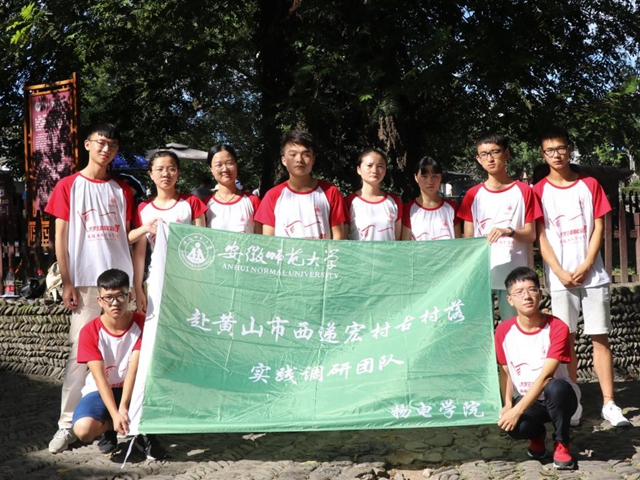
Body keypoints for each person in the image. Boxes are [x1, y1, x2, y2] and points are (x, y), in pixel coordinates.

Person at [45, 122, 135, 454]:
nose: (105, 149)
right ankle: (67, 424)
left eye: (112, 144)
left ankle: (122, 420)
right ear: (87, 144)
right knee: (80, 357)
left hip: (121, 285)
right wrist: (67, 281)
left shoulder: (123, 190)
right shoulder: (68, 186)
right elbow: (61, 237)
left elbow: (126, 237)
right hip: (84, 283)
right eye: (101, 142)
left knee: (127, 352)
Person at [533, 125, 630, 428]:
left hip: (594, 275)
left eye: (561, 148)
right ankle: (572, 401)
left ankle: (609, 403)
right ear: (543, 154)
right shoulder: (539, 190)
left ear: (569, 149)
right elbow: (540, 236)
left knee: (600, 336)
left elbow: (599, 225)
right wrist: (559, 271)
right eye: (550, 150)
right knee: (566, 340)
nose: (557, 155)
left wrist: (588, 263)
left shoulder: (589, 184)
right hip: (559, 278)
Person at [72, 268, 165, 459]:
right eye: (108, 297)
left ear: (129, 296)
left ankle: (144, 432)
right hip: (102, 389)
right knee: (83, 430)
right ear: (100, 300)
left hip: (137, 387)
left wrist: (123, 407)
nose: (115, 303)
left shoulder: (144, 324)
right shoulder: (89, 331)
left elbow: (134, 370)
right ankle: (110, 428)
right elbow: (99, 379)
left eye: (120, 296)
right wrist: (115, 415)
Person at [495, 267, 578, 470]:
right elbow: (505, 373)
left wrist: (517, 410)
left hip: (559, 397)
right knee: (513, 426)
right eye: (519, 292)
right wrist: (508, 404)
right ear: (510, 300)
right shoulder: (503, 331)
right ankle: (537, 436)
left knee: (556, 388)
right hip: (528, 399)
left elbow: (546, 376)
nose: (527, 296)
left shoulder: (557, 327)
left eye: (532, 290)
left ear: (540, 294)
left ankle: (562, 443)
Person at [457, 132, 541, 320]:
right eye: (484, 154)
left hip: (515, 278)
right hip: (482, 277)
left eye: (495, 152)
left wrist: (508, 231)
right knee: (480, 330)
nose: (490, 158)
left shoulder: (524, 191)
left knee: (513, 329)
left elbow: (531, 235)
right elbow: (468, 241)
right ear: (478, 159)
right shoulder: (472, 195)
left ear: (506, 153)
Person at [130, 150, 207, 313]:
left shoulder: (191, 202)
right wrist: (138, 288)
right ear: (151, 174)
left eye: (171, 169)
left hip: (188, 281)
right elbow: (140, 253)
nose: (166, 174)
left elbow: (202, 242)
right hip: (156, 279)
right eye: (160, 169)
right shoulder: (144, 208)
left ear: (178, 173)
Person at [255, 130, 345, 239]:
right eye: (293, 154)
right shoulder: (272, 196)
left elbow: (338, 236)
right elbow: (268, 240)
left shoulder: (330, 192)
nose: (299, 160)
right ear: (283, 160)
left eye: (306, 154)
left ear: (313, 159)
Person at [344, 148, 402, 240]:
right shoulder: (349, 202)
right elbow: (343, 241)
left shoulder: (394, 201)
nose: (374, 170)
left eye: (380, 166)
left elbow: (398, 240)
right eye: (369, 165)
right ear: (359, 169)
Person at [204, 144, 261, 234]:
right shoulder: (205, 205)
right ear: (211, 169)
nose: (225, 169)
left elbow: (261, 238)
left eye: (229, 163)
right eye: (219, 165)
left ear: (236, 165)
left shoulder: (253, 201)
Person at [402, 156, 460, 241]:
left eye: (435, 176)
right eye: (424, 176)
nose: (430, 181)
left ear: (441, 177)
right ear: (416, 177)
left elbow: (458, 243)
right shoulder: (409, 209)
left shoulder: (451, 208)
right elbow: (405, 245)